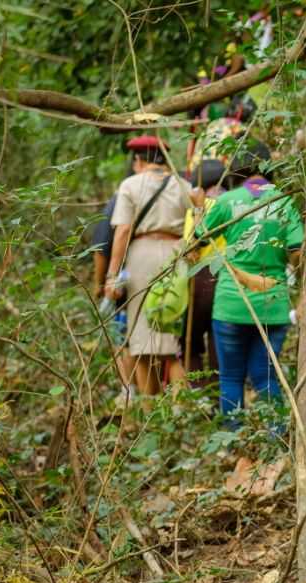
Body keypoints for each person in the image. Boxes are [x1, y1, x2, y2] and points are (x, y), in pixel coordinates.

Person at [194, 141, 304, 425]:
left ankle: (233, 439)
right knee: (266, 377)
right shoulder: (284, 201)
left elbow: (197, 239)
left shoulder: (227, 201)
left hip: (232, 303)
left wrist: (198, 209)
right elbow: (298, 252)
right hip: (273, 304)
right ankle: (276, 439)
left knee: (231, 377)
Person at [106, 136, 193, 395]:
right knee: (171, 343)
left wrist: (112, 274)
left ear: (138, 160)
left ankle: (148, 407)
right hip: (176, 255)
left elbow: (123, 230)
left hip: (141, 256)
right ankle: (180, 411)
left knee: (141, 343)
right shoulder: (184, 185)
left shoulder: (130, 185)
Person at [91, 159, 136, 400]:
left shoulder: (118, 201)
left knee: (121, 339)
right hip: (156, 274)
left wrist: (100, 284)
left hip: (122, 280)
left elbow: (101, 249)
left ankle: (128, 391)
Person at [181, 159, 228, 386]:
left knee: (191, 341)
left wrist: (197, 209)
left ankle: (199, 392)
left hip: (202, 278)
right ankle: (219, 391)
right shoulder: (233, 203)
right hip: (229, 277)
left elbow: (191, 248)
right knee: (219, 340)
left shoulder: (200, 208)